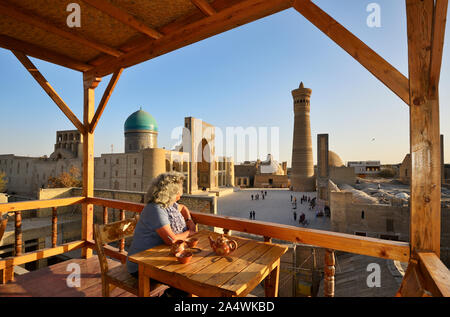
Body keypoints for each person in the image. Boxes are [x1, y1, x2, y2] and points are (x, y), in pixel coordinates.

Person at [126, 172, 197, 296]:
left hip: (155, 258)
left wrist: (188, 220)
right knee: (185, 284)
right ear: (169, 193)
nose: (179, 197)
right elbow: (172, 240)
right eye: (177, 194)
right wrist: (189, 232)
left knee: (188, 280)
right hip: (140, 265)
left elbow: (183, 208)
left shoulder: (169, 205)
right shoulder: (155, 209)